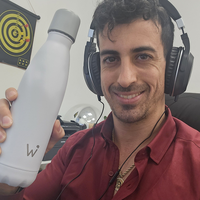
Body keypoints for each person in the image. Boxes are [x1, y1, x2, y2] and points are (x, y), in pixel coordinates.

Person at [0, 0, 200, 199]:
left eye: (143, 56)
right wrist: (10, 172)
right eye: (111, 59)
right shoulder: (74, 147)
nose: (125, 79)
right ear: (94, 72)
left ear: (172, 67)